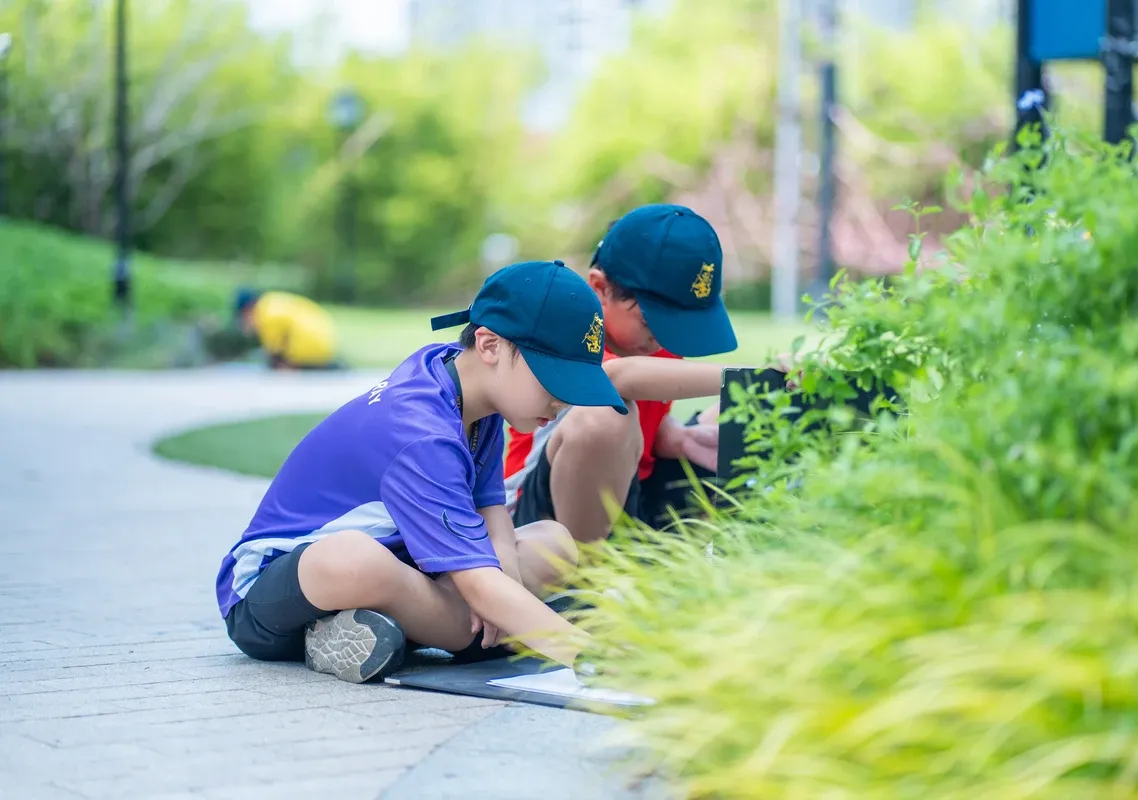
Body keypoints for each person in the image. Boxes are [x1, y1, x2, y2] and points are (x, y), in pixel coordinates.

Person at [215, 261, 626, 683]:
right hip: (273, 594)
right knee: (355, 558)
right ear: (488, 346)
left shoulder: (467, 388)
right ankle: (480, 636)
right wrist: (586, 653)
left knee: (553, 543)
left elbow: (491, 512)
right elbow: (477, 580)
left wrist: (508, 589)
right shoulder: (421, 431)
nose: (563, 400)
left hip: (403, 566)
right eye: (554, 379)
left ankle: (365, 630)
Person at [504, 204, 752, 543]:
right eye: (655, 322)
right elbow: (617, 379)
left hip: (634, 497)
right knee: (607, 414)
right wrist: (749, 376)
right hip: (542, 519)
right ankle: (581, 584)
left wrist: (680, 438)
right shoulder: (566, 328)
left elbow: (646, 426)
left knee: (744, 408)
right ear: (600, 289)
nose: (665, 339)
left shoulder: (651, 342)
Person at [234, 287, 341, 370]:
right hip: (324, 345)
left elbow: (274, 350)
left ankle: (292, 368)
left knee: (273, 364)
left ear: (247, 310)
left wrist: (281, 364)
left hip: (307, 352)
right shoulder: (270, 302)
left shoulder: (264, 313)